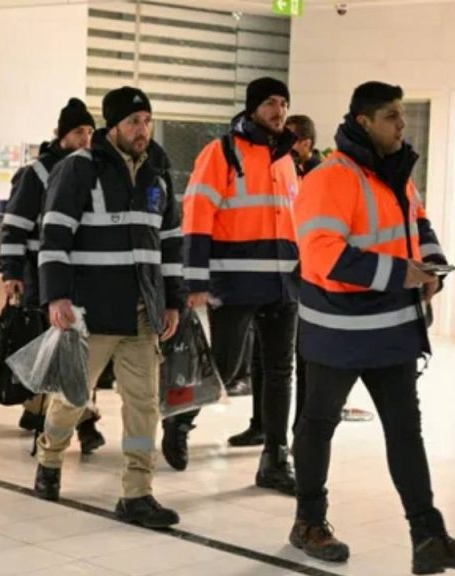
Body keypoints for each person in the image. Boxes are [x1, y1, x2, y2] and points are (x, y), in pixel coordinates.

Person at [289, 81, 455, 572]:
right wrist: (402, 273)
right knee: (317, 427)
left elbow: (417, 224)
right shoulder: (329, 177)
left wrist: (433, 264)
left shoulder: (394, 172)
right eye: (392, 117)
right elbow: (322, 255)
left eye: (402, 116)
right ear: (363, 122)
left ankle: (428, 537)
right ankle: (308, 523)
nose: (402, 125)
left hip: (391, 332)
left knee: (406, 433)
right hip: (336, 333)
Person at [33, 86, 184, 529]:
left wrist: (172, 300)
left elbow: (170, 242)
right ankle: (49, 456)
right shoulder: (79, 168)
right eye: (135, 122)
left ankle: (137, 493)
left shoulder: (157, 170)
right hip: (92, 309)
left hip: (142, 310)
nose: (143, 130)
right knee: (72, 399)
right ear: (113, 126)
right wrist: (57, 296)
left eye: (148, 121)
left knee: (144, 405)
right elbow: (55, 234)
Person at [172, 77, 300, 491]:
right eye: (269, 104)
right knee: (223, 367)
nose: (278, 111)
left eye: (282, 103)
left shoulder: (286, 158)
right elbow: (196, 215)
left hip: (284, 284)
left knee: (280, 370)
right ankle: (180, 420)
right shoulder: (221, 152)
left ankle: (275, 459)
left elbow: (294, 219)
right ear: (251, 109)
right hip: (236, 281)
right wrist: (195, 280)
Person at [0, 97, 104, 452]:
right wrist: (12, 271)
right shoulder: (38, 173)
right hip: (42, 273)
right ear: (61, 134)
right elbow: (14, 227)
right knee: (60, 347)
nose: (87, 139)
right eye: (79, 132)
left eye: (90, 131)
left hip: (83, 275)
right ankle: (82, 420)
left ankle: (40, 410)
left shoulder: (94, 169)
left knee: (75, 347)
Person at [227, 113, 323, 449]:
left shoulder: (318, 176)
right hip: (275, 278)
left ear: (306, 144)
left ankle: (297, 432)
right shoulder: (282, 168)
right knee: (261, 358)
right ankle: (261, 425)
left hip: (305, 281)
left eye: (291, 138)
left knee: (298, 363)